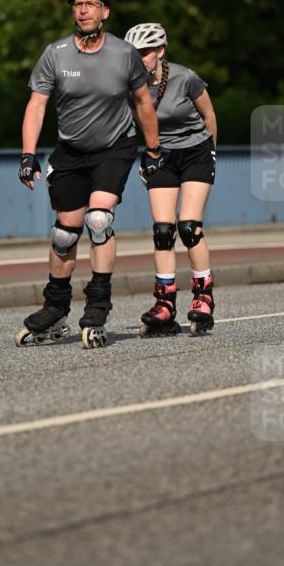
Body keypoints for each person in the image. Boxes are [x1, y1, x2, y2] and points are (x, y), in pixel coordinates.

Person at [16, 0, 163, 347]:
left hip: (115, 147)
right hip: (71, 151)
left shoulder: (124, 54)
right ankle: (55, 307)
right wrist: (28, 154)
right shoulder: (56, 53)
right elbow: (36, 105)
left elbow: (143, 103)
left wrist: (153, 150)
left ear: (105, 12)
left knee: (99, 219)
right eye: (78, 5)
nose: (83, 10)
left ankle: (98, 303)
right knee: (64, 234)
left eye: (91, 4)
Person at [124, 22, 218, 335]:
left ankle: (203, 297)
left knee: (189, 227)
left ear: (161, 50)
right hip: (161, 155)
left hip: (196, 152)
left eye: (145, 52)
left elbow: (209, 116)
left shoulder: (185, 77)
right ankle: (165, 304)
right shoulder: (129, 85)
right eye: (134, 53)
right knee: (163, 232)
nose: (140, 58)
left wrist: (212, 153)